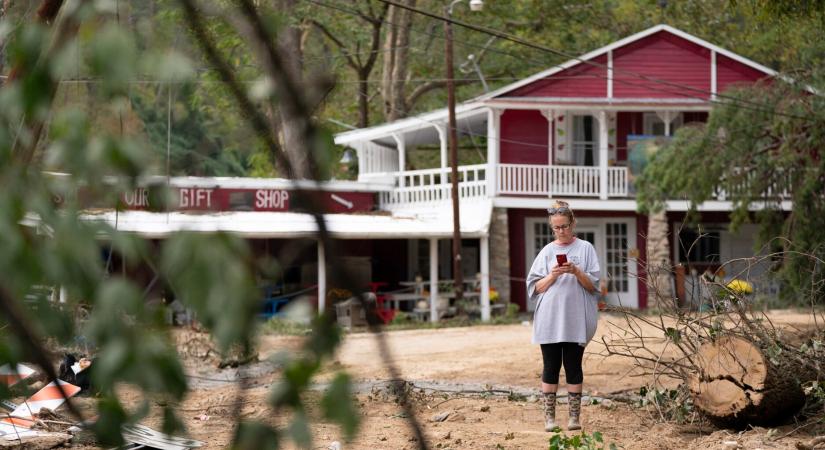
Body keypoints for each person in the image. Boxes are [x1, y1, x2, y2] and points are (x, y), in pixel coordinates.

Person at [526, 201, 600, 431]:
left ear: (573, 223)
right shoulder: (547, 251)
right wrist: (553, 275)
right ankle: (549, 419)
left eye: (565, 226)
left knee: (573, 366)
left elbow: (593, 286)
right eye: (556, 228)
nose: (561, 231)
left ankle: (574, 418)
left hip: (576, 318)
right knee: (550, 366)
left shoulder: (585, 248)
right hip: (549, 319)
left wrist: (576, 271)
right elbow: (535, 287)